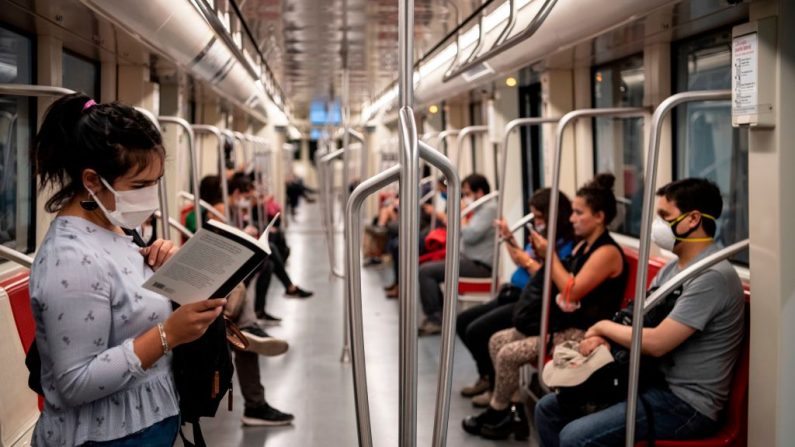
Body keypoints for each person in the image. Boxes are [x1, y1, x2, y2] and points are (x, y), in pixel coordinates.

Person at [28, 94, 225, 446]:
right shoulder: (70, 259)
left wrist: (161, 263)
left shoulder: (117, 228)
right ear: (92, 181)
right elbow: (75, 383)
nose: (150, 197)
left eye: (155, 182)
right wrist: (169, 335)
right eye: (139, 186)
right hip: (103, 438)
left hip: (149, 423)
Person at [535, 178, 745, 447]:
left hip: (686, 403)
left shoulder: (712, 277)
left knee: (574, 437)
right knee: (548, 410)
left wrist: (601, 327)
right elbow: (640, 315)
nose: (658, 225)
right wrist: (606, 339)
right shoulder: (674, 269)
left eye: (664, 216)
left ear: (693, 219)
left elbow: (657, 343)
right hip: (651, 381)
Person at [464, 173, 628, 440]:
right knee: (496, 340)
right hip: (561, 325)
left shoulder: (607, 252)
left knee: (507, 354)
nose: (572, 218)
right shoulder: (582, 247)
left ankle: (499, 412)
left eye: (578, 212)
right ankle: (513, 410)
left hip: (583, 334)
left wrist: (548, 255)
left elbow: (572, 290)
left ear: (599, 216)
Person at [457, 188, 575, 406]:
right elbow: (521, 259)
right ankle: (486, 376)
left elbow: (549, 278)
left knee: (477, 330)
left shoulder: (566, 245)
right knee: (462, 321)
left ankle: (494, 386)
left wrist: (529, 263)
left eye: (540, 217)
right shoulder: (542, 237)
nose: (537, 222)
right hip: (514, 293)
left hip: (532, 302)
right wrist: (509, 238)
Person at [418, 173, 497, 335]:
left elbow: (469, 234)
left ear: (479, 192)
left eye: (467, 193)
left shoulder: (490, 209)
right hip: (467, 259)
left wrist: (460, 218)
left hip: (479, 265)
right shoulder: (478, 209)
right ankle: (438, 316)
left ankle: (436, 319)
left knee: (426, 272)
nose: (465, 197)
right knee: (426, 265)